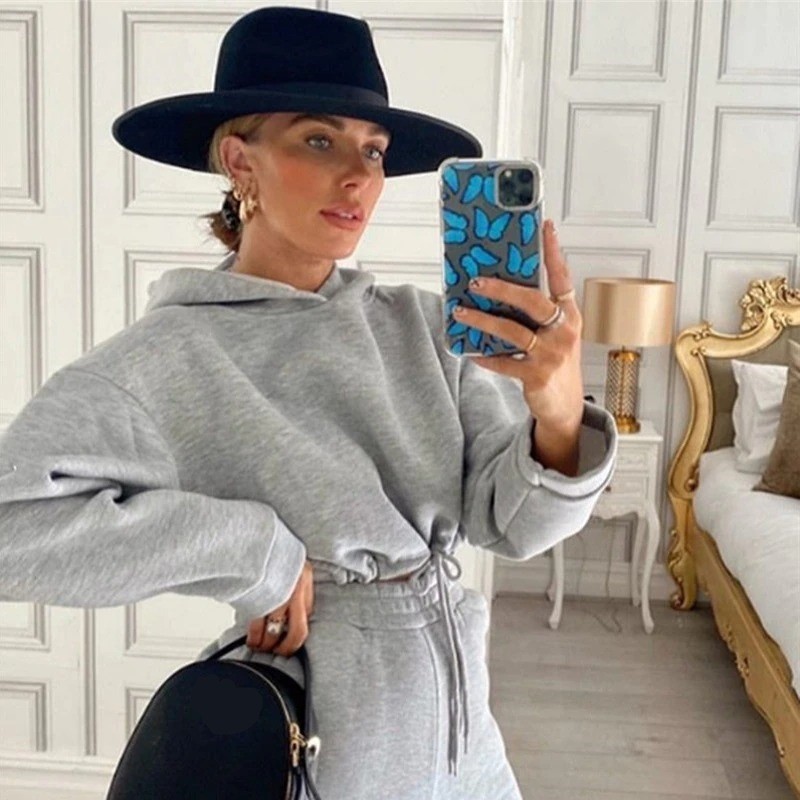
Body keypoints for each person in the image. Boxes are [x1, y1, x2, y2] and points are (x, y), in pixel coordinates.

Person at [0, 6, 617, 799]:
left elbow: (515, 525)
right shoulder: (164, 358)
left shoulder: (424, 327)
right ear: (240, 161)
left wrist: (557, 409)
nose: (358, 176)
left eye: (374, 150)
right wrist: (253, 550)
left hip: (469, 747)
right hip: (328, 750)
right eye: (320, 141)